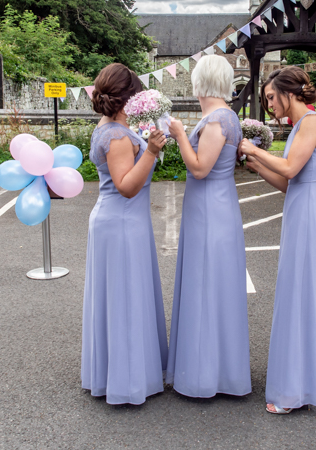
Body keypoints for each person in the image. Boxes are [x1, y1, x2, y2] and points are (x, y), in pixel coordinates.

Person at [239, 66, 316, 415]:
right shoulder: (300, 126)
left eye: (270, 97)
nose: (268, 105)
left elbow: (291, 168)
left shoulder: (311, 122)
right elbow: (287, 182)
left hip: (311, 214)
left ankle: (295, 391)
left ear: (289, 92)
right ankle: (314, 377)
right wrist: (257, 166)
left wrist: (252, 147)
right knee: (305, 292)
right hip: (302, 207)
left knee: (300, 294)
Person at [81, 63, 169, 405]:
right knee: (125, 299)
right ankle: (127, 381)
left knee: (119, 299)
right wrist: (151, 151)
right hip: (120, 223)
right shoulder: (116, 136)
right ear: (127, 97)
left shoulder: (108, 127)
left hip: (118, 222)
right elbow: (127, 186)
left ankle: (116, 370)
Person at [166, 55, 251, 398]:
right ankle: (215, 369)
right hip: (212, 206)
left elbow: (200, 168)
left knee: (207, 286)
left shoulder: (217, 119)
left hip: (210, 210)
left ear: (200, 82)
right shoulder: (223, 116)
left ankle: (204, 375)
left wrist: (177, 134)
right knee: (212, 286)